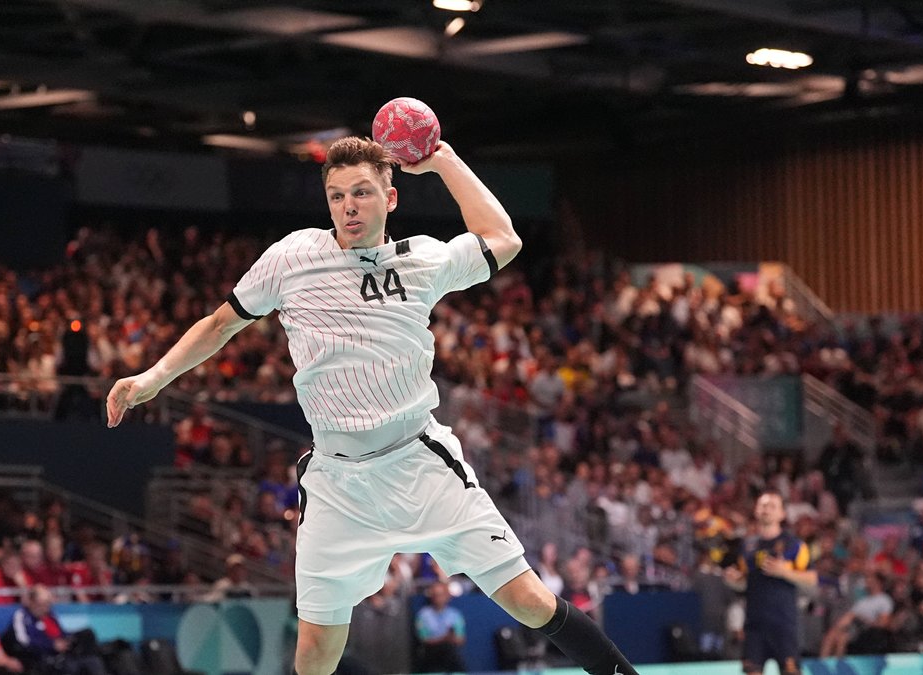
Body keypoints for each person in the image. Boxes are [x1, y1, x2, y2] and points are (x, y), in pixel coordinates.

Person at [107, 136, 638, 675]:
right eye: (337, 196)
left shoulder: (423, 260)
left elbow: (502, 238)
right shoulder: (292, 258)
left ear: (390, 198)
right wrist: (155, 376)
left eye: (361, 192)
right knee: (315, 651)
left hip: (420, 465)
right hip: (338, 483)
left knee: (529, 601)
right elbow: (221, 323)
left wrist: (444, 161)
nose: (348, 206)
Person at [725, 491, 817, 675]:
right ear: (756, 511)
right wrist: (733, 581)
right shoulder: (747, 545)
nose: (766, 509)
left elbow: (812, 579)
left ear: (782, 514)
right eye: (762, 505)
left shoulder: (794, 545)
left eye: (772, 506)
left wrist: (785, 572)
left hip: (783, 625)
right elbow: (744, 584)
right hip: (754, 627)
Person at [414, 580, 467, 673]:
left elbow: (460, 639)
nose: (437, 598)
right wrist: (443, 638)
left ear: (447, 596)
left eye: (441, 595)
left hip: (451, 656)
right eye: (435, 595)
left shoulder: (455, 615)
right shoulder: (423, 615)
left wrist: (451, 638)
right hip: (430, 656)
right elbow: (424, 640)